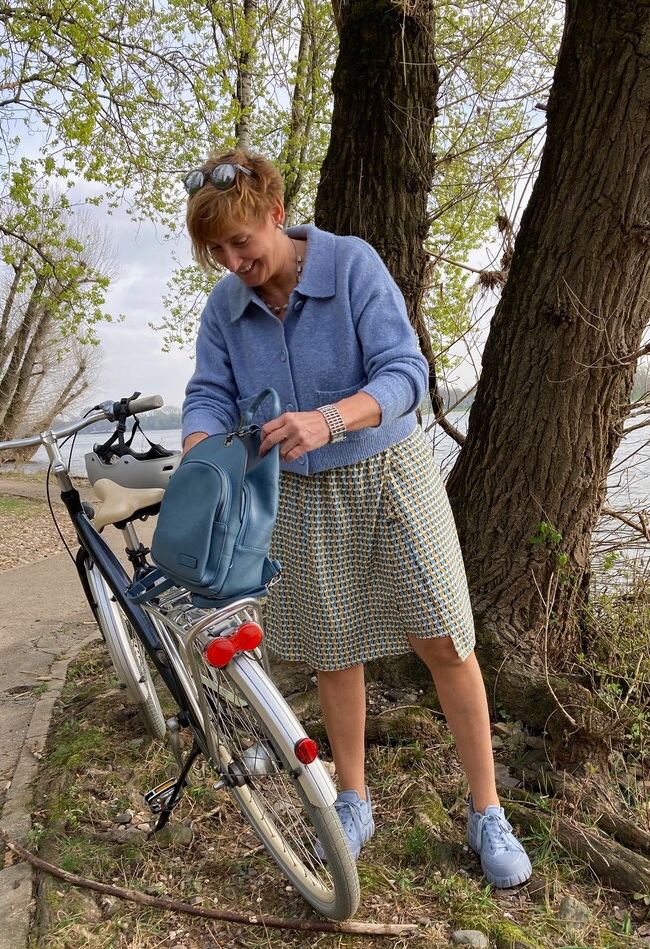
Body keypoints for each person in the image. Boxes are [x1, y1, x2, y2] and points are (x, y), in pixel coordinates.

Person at [180, 149, 532, 888]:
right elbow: (209, 393)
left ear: (276, 215)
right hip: (302, 493)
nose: (232, 260)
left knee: (445, 635)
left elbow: (407, 374)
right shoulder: (225, 307)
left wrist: (331, 420)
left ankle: (486, 809)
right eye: (216, 250)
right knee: (334, 650)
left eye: (241, 241)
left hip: (390, 472)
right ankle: (352, 798)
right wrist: (199, 451)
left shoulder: (352, 266)